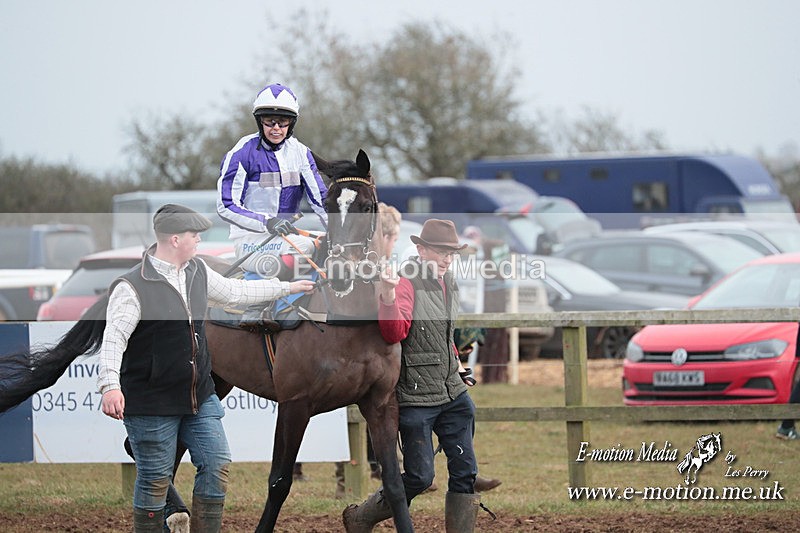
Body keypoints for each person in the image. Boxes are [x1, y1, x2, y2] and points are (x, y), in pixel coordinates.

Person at [98, 204, 315, 533]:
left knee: (216, 464)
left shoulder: (196, 271)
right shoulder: (131, 288)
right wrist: (110, 386)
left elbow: (236, 292)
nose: (199, 239)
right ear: (174, 240)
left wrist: (287, 287)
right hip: (151, 401)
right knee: (155, 481)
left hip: (199, 398)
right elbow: (114, 339)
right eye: (193, 235)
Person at [343, 219, 482, 533]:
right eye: (441, 252)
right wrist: (389, 297)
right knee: (420, 477)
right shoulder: (407, 280)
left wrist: (458, 364)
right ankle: (362, 516)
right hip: (416, 395)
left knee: (466, 472)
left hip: (452, 393)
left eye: (452, 253)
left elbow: (443, 334)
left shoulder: (449, 281)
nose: (448, 259)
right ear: (421, 250)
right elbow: (394, 332)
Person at [216, 82, 327, 326]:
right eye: (269, 121)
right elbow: (225, 205)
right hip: (251, 242)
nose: (276, 128)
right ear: (259, 122)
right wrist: (267, 223)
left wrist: (338, 229)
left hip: (286, 237)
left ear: (292, 123)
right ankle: (255, 305)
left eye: (283, 122)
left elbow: (321, 200)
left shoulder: (300, 153)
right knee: (309, 248)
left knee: (326, 243)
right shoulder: (241, 153)